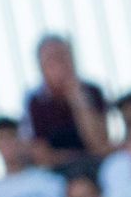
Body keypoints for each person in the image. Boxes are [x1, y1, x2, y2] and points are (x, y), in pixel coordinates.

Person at [24, 33, 112, 165]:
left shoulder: (92, 91)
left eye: (63, 57)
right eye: (51, 59)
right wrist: (81, 157)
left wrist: (79, 100)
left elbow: (99, 145)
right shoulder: (35, 102)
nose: (60, 65)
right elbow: (41, 156)